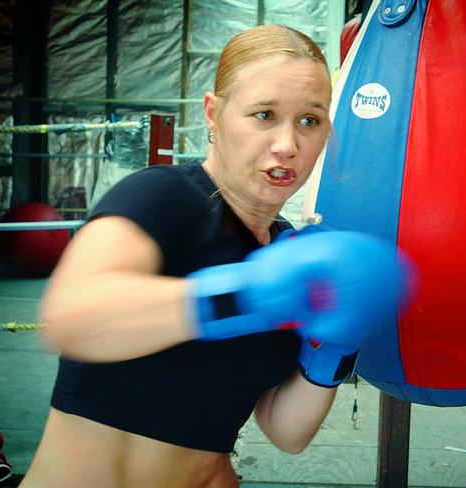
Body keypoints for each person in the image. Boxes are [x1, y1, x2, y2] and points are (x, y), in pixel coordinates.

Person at [21, 24, 412, 488]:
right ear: (214, 114)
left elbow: (286, 430)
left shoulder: (290, 252)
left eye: (310, 120)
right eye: (263, 114)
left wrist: (335, 350)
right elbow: (73, 317)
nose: (288, 145)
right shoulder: (165, 196)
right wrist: (254, 295)